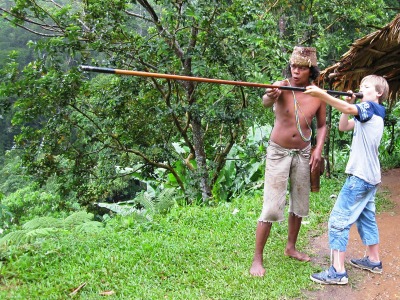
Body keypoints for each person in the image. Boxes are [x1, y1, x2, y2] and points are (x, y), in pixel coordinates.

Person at [249, 46, 327, 277]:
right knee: (272, 206)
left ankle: (291, 247)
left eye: (302, 68)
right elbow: (265, 99)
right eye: (293, 66)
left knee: (300, 204)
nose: (296, 71)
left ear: (311, 70)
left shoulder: (317, 95)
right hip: (278, 153)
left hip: (303, 153)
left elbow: (322, 125)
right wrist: (269, 95)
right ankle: (257, 258)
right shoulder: (282, 86)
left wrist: (317, 149)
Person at [304, 75, 389, 285]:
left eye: (366, 86)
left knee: (338, 220)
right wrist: (348, 105)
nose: (361, 89)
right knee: (366, 218)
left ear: (378, 93)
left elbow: (353, 111)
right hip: (370, 176)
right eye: (360, 86)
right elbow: (344, 126)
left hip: (360, 177)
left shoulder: (370, 108)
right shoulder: (370, 113)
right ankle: (373, 259)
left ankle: (338, 271)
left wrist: (322, 95)